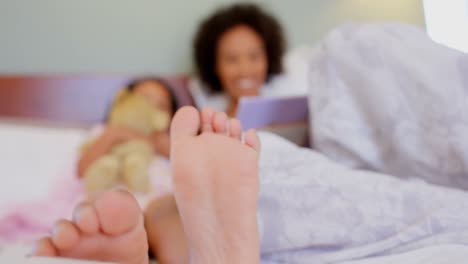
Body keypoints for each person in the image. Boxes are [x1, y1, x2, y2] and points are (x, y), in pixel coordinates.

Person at [193, 3, 286, 117]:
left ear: (268, 58)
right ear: (215, 66)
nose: (245, 70)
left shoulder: (294, 118)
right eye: (232, 59)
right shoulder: (209, 128)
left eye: (254, 56)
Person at [77, 77, 177, 180]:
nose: (151, 108)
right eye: (145, 99)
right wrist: (113, 135)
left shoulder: (169, 145)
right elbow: (81, 171)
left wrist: (170, 151)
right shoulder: (105, 131)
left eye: (162, 106)